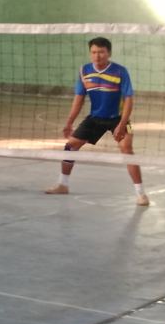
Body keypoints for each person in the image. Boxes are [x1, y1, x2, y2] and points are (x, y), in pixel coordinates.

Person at [43, 36, 149, 206]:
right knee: (70, 147)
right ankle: (63, 185)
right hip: (95, 118)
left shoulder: (120, 71)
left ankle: (141, 194)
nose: (97, 56)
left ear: (109, 53)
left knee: (127, 149)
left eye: (101, 52)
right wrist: (69, 122)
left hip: (118, 119)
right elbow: (79, 99)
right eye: (93, 52)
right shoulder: (84, 71)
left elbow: (129, 100)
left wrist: (122, 124)